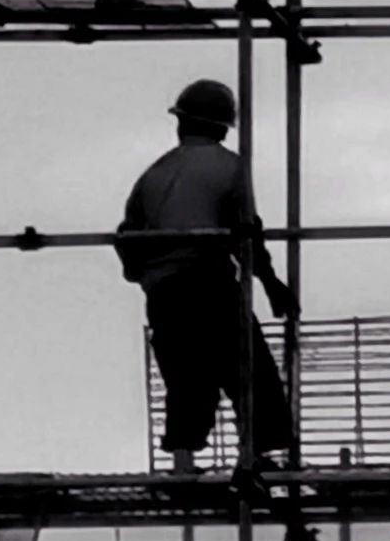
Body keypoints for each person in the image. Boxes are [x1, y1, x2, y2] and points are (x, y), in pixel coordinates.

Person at [114, 75, 296, 468]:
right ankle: (253, 454)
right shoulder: (229, 167)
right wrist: (270, 284)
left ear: (182, 122)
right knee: (248, 369)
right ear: (222, 127)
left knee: (185, 376)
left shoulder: (154, 173)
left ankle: (183, 462)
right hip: (206, 279)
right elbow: (245, 231)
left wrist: (146, 273)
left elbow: (127, 238)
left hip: (163, 292)